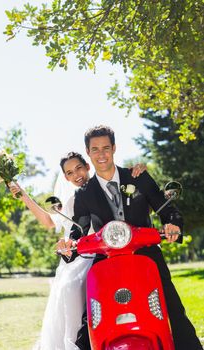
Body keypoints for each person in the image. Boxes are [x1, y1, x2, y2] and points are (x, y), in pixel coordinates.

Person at [60, 126, 203, 350]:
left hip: (147, 256)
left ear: (114, 148)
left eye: (106, 148)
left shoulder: (138, 177)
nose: (101, 154)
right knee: (88, 323)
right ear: (88, 153)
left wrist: (173, 224)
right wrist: (69, 244)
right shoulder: (84, 193)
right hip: (106, 261)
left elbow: (167, 210)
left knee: (174, 312)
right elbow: (78, 230)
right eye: (95, 149)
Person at [9, 151, 146, 350]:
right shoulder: (73, 199)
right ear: (65, 177)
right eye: (70, 172)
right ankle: (79, 343)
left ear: (88, 166)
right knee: (71, 287)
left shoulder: (106, 186)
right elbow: (49, 222)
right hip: (82, 254)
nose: (77, 175)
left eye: (79, 168)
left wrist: (138, 172)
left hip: (110, 252)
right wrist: (23, 195)